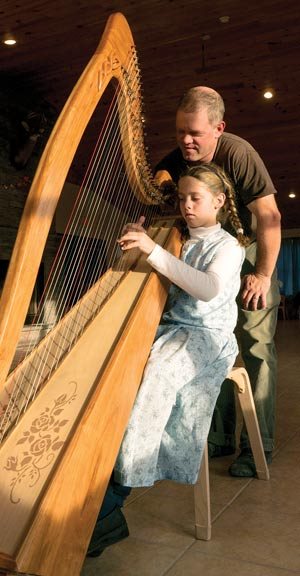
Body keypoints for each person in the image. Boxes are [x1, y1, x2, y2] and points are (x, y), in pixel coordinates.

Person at [87, 163, 247, 557]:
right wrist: (137, 243)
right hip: (171, 329)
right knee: (109, 367)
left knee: (156, 376)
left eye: (196, 198)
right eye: (182, 198)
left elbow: (208, 290)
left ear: (219, 202)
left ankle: (111, 503)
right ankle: (93, 468)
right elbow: (148, 272)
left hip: (206, 337)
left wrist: (154, 250)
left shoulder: (227, 247)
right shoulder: (176, 239)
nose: (187, 205)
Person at [155, 86, 281, 477]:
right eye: (179, 132)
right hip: (211, 254)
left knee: (255, 348)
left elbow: (270, 218)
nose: (186, 141)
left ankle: (259, 445)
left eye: (194, 133)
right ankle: (221, 437)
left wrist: (261, 275)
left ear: (218, 129)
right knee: (215, 340)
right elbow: (157, 187)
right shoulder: (177, 159)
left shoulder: (238, 154)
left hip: (251, 253)